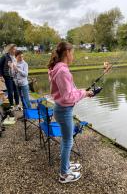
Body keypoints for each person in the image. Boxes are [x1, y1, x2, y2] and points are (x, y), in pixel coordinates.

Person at [48, 42, 93, 184]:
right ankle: (64, 174)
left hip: (61, 109)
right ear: (67, 52)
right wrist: (84, 94)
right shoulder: (62, 71)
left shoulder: (59, 68)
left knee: (66, 140)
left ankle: (66, 165)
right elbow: (67, 97)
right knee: (68, 142)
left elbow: (68, 92)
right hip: (64, 110)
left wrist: (83, 92)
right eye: (72, 52)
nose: (73, 55)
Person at [0, 44, 20, 110]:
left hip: (14, 76)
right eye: (14, 49)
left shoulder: (14, 57)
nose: (15, 50)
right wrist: (1, 76)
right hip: (7, 76)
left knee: (16, 91)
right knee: (10, 91)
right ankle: (11, 106)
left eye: (15, 49)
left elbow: (16, 66)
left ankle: (17, 104)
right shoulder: (5, 56)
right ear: (10, 49)